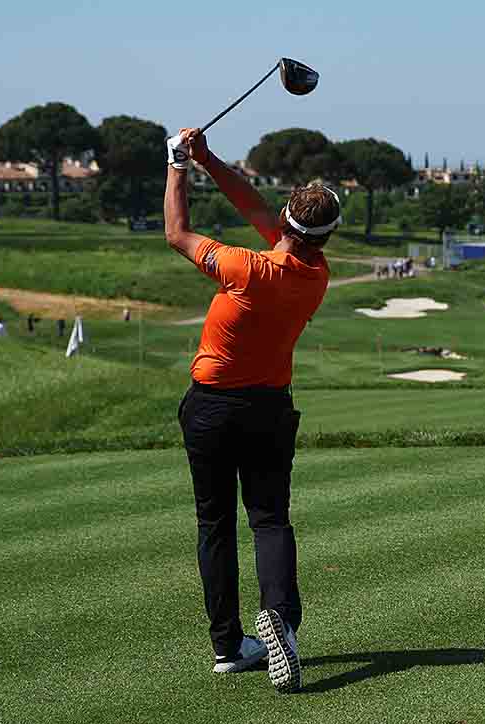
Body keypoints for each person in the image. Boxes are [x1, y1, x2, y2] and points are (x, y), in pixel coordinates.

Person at [165, 127, 336, 693]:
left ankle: (229, 647)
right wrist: (208, 158)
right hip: (269, 408)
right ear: (326, 236)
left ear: (285, 222)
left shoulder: (243, 268)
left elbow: (177, 233)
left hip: (210, 408)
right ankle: (281, 624)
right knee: (269, 518)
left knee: (214, 523)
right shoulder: (315, 277)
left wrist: (178, 165)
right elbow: (258, 209)